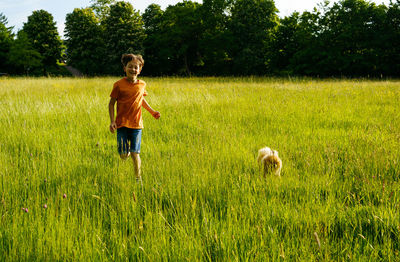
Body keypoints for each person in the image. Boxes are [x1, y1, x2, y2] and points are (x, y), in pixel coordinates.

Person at [108, 54, 160, 182]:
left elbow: (141, 99)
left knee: (136, 153)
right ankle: (128, 152)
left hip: (137, 125)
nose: (133, 69)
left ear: (140, 70)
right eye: (130, 66)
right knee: (123, 155)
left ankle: (138, 178)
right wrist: (112, 121)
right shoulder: (118, 85)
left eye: (136, 67)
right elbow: (111, 103)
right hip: (121, 124)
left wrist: (152, 111)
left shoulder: (142, 84)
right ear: (124, 68)